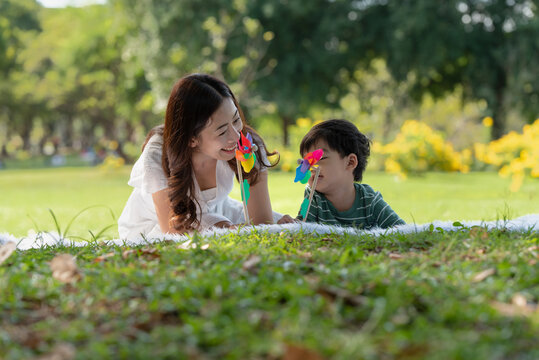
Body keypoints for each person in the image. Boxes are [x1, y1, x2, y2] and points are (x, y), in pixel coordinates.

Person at [119, 73, 290, 239]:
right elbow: (173, 232)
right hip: (155, 224)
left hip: (217, 212)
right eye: (222, 131)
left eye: (236, 120)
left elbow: (262, 224)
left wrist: (252, 226)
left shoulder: (248, 144)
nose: (236, 136)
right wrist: (224, 227)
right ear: (191, 139)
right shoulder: (157, 156)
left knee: (282, 226)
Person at [296, 119, 405, 229]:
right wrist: (290, 224)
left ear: (350, 162)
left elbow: (404, 231)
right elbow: (301, 228)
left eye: (320, 158)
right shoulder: (312, 196)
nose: (310, 167)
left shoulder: (370, 201)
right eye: (307, 162)